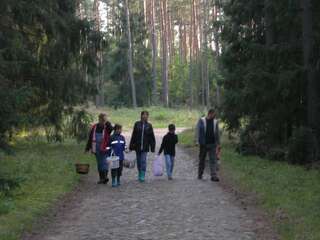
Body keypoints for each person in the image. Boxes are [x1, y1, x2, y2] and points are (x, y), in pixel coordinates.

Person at [86, 113, 113, 184]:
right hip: (96, 148)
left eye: (104, 119)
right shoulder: (95, 127)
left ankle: (105, 177)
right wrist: (87, 148)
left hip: (105, 147)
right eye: (102, 119)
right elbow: (91, 138)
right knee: (99, 163)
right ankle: (102, 178)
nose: (102, 120)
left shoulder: (107, 127)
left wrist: (106, 122)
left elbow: (111, 129)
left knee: (105, 162)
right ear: (99, 119)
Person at [129, 111, 156, 182]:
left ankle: (142, 175)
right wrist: (131, 146)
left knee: (143, 161)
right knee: (138, 162)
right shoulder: (137, 124)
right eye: (143, 115)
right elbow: (133, 135)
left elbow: (151, 137)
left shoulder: (149, 125)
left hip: (145, 146)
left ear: (147, 116)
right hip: (137, 146)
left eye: (146, 115)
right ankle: (139, 172)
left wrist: (152, 147)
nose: (145, 116)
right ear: (141, 116)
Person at [195, 109, 221, 182]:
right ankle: (200, 174)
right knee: (202, 160)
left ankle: (214, 176)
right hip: (203, 144)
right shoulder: (201, 120)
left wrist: (218, 144)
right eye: (214, 114)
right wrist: (196, 140)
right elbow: (197, 130)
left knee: (213, 160)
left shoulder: (215, 122)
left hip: (212, 144)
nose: (215, 116)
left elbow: (217, 133)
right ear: (210, 114)